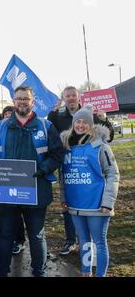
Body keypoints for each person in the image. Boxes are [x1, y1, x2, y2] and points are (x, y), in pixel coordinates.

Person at [0, 86, 65, 277]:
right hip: (6, 193)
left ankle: (39, 271)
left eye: (26, 99)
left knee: (37, 236)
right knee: (5, 236)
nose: (22, 101)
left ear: (32, 101)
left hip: (37, 190)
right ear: (13, 101)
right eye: (18, 98)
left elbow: (57, 154)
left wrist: (44, 169)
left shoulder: (46, 126)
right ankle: (1, 271)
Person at [47, 86, 115, 256]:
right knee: (69, 207)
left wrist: (104, 119)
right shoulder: (58, 115)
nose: (70, 98)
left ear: (78, 97)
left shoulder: (89, 114)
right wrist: (52, 114)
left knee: (91, 218)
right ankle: (70, 241)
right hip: (70, 169)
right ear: (64, 98)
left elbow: (109, 136)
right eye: (67, 96)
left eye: (73, 95)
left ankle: (88, 248)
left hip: (90, 172)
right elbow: (51, 136)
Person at [59, 104, 119, 277]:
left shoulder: (100, 146)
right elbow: (63, 176)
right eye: (77, 121)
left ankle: (100, 275)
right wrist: (64, 198)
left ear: (91, 125)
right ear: (73, 123)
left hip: (97, 205)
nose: (80, 125)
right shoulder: (67, 147)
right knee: (84, 242)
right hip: (75, 205)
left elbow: (113, 174)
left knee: (99, 243)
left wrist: (108, 203)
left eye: (85, 122)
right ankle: (86, 273)